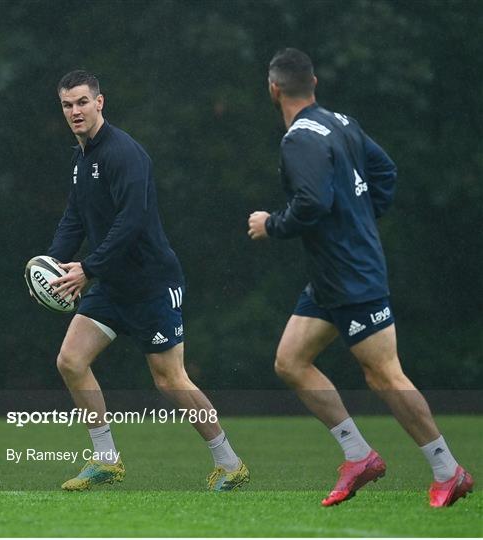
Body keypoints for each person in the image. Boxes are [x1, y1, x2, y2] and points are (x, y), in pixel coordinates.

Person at [247, 48, 473, 507]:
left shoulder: (298, 140)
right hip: (331, 277)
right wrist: (364, 222)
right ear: (314, 84)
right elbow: (384, 172)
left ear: (274, 88)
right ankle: (358, 456)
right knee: (290, 361)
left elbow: (311, 203)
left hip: (352, 276)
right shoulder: (341, 122)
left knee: (385, 376)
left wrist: (270, 224)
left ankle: (449, 471)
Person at [41, 70, 249, 491]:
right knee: (71, 360)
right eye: (67, 104)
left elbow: (132, 221)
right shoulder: (82, 161)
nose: (75, 111)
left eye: (82, 102)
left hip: (152, 282)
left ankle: (230, 464)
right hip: (112, 284)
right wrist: (52, 264)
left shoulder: (123, 153)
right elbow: (75, 218)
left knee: (170, 380)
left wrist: (88, 268)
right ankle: (106, 461)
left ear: (100, 102)